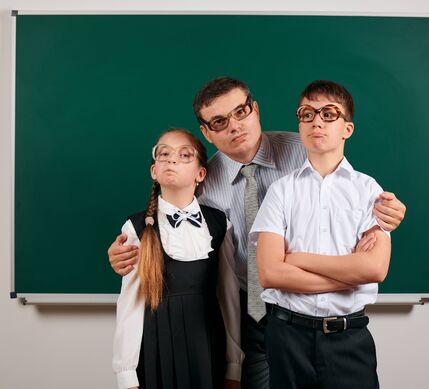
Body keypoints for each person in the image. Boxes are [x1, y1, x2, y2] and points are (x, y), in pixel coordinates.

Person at [108, 77, 406, 389]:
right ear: (207, 133)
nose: (235, 126)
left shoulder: (306, 147)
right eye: (220, 122)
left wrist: (390, 212)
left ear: (256, 110)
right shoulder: (202, 182)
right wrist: (128, 250)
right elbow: (168, 224)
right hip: (243, 311)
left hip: (303, 309)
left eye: (241, 112)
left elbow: (344, 203)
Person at [251, 80, 391, 388]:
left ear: (347, 129)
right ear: (300, 126)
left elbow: (374, 269)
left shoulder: (370, 191)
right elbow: (271, 273)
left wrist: (297, 258)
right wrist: (348, 278)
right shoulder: (281, 191)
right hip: (287, 337)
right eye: (307, 114)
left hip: (349, 339)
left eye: (329, 114)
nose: (317, 121)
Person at [112, 128, 243, 389]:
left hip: (207, 343)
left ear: (200, 173)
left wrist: (234, 365)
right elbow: (130, 305)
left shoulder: (220, 224)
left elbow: (228, 297)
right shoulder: (136, 227)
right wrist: (126, 374)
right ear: (154, 171)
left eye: (184, 155)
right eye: (164, 154)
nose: (172, 160)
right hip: (156, 344)